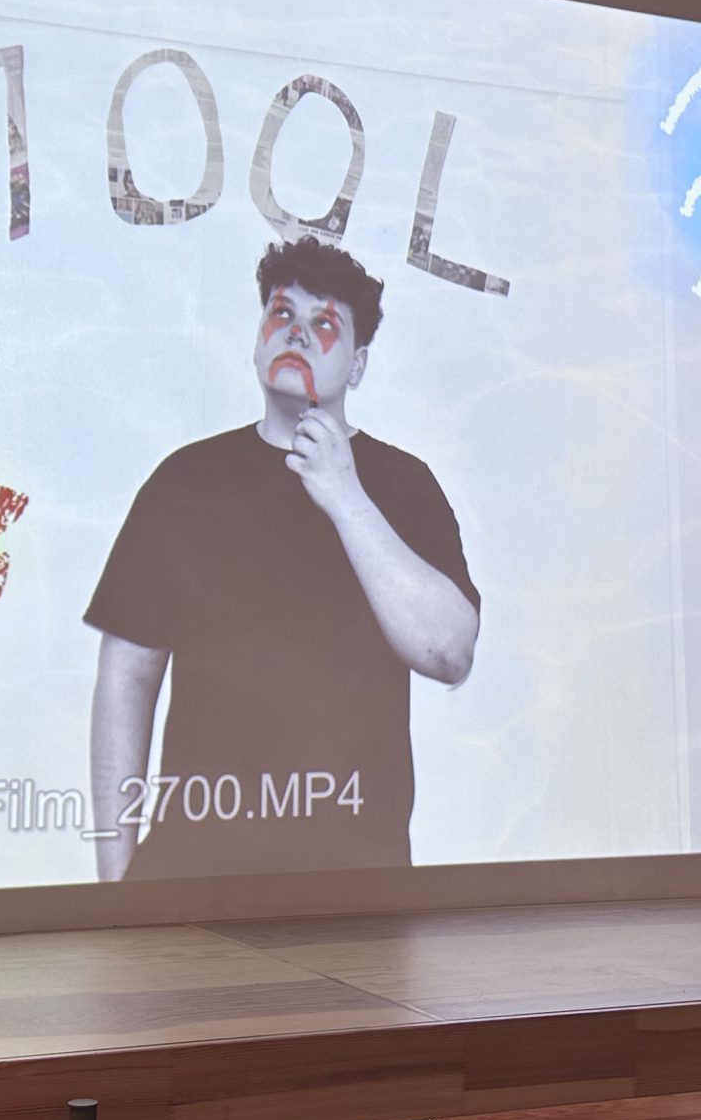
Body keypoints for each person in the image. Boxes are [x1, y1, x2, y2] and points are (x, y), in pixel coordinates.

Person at [84, 237, 480, 880]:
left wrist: (345, 496)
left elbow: (448, 653)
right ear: (258, 341)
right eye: (282, 313)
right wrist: (115, 887)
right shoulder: (185, 482)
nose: (296, 332)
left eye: (324, 322)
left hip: (355, 886)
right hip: (192, 880)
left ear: (357, 365)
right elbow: (126, 682)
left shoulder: (403, 484)